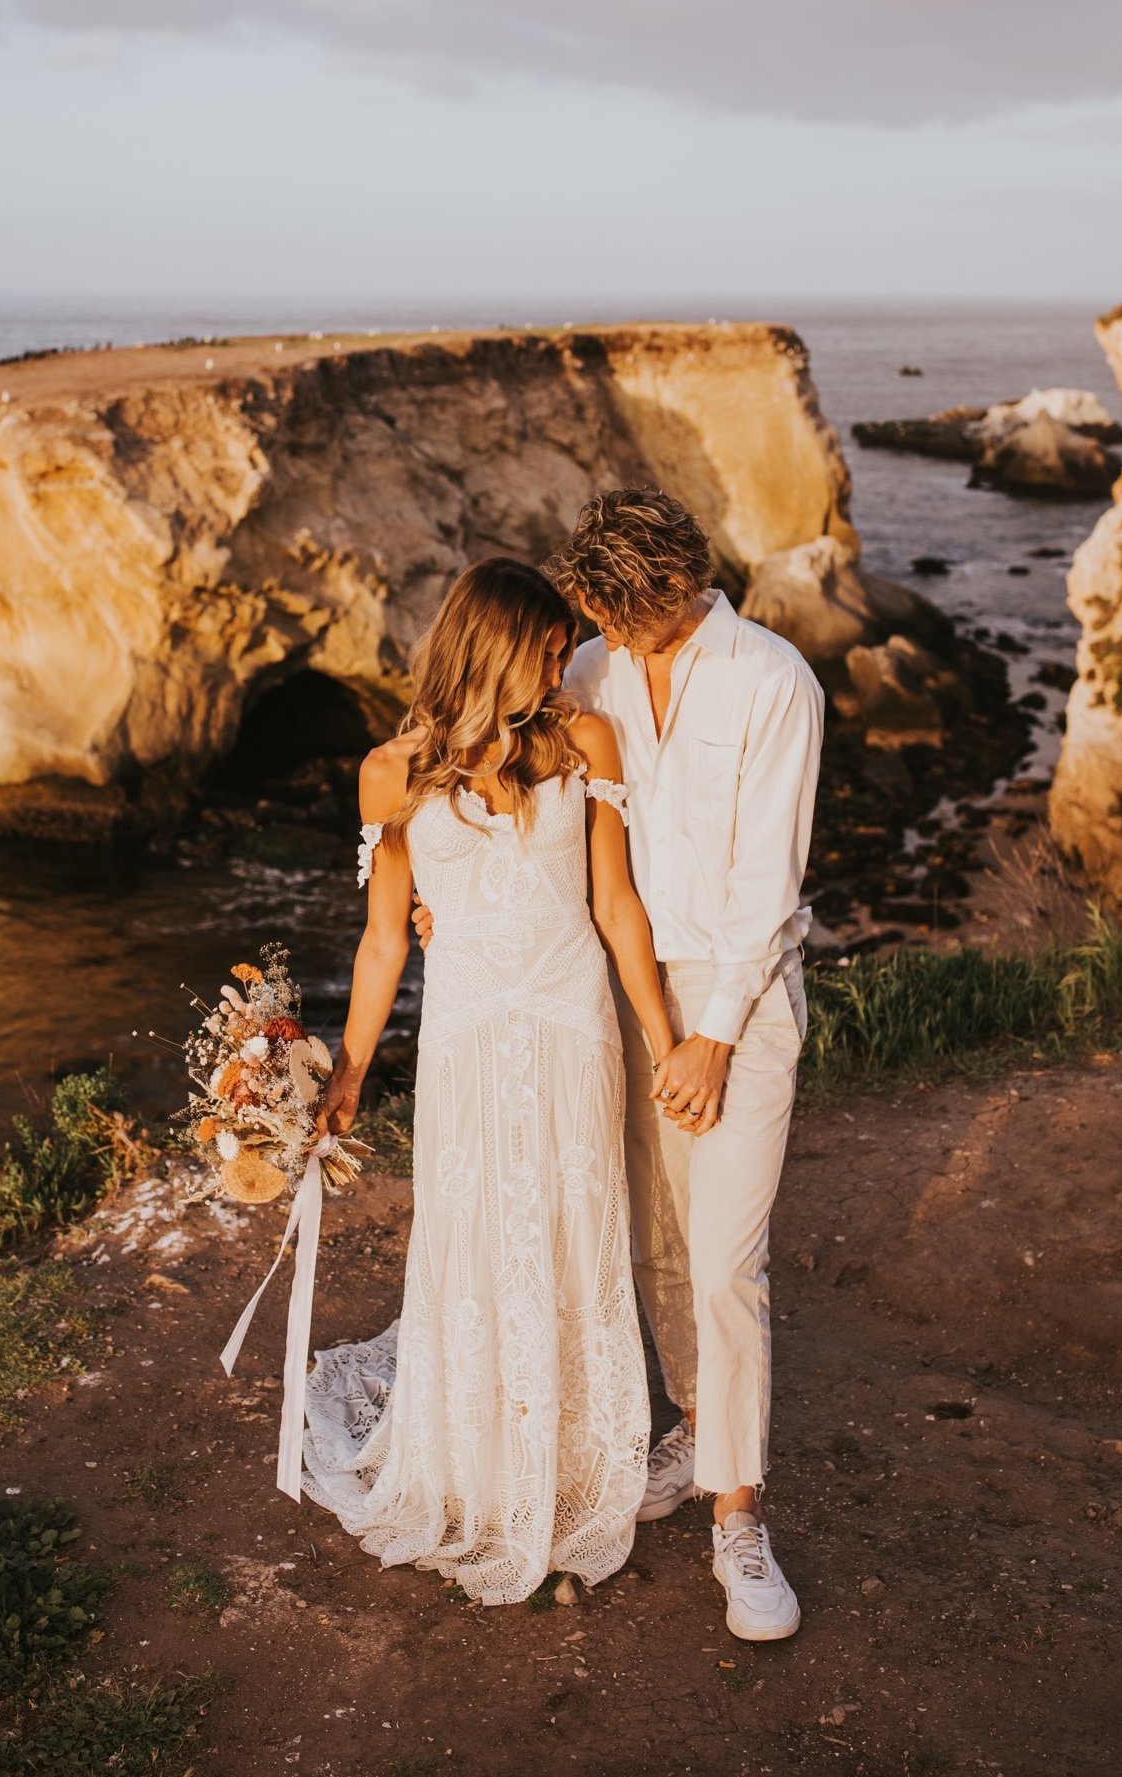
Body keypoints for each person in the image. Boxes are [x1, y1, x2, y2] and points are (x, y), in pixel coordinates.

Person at [306, 558, 678, 1605]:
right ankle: (475, 1460)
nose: (562, 669)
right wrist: (352, 1065)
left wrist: (658, 1036)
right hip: (464, 1031)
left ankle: (568, 1461)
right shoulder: (392, 773)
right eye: (547, 650)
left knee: (568, 1225)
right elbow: (384, 940)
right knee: (471, 1231)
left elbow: (615, 902)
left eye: (565, 651)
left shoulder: (581, 743)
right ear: (491, 646)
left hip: (573, 1021)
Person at [548, 486, 823, 1642]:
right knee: (654, 1237)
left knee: (723, 1259)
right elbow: (541, 802)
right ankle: (697, 1424)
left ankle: (740, 1514)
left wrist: (709, 1033)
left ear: (669, 586)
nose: (606, 633)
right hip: (621, 979)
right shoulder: (587, 668)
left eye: (620, 610)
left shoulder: (773, 679)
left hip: (740, 1000)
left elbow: (771, 874)